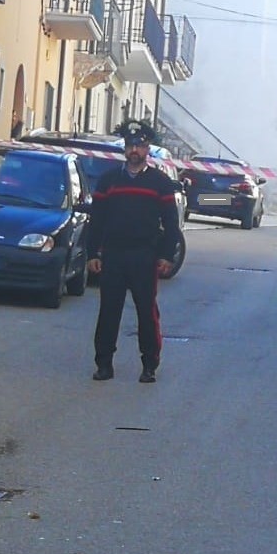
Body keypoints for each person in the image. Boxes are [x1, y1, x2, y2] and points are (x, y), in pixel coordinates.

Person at [84, 119, 182, 384]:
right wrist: (92, 253)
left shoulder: (160, 182)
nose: (134, 150)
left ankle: (149, 364)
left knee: (146, 312)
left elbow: (171, 224)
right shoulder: (108, 181)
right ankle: (104, 364)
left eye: (139, 145)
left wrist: (165, 256)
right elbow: (97, 220)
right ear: (125, 149)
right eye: (130, 145)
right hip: (113, 255)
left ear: (147, 148)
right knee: (108, 311)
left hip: (144, 256)